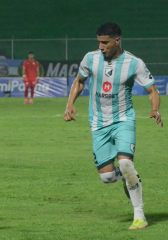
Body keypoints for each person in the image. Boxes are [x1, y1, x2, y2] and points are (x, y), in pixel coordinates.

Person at [64, 22, 163, 230]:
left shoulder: (134, 63)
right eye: (99, 42)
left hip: (123, 120)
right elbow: (79, 81)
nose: (101, 47)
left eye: (105, 43)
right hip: (98, 123)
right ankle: (130, 179)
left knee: (126, 163)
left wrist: (155, 109)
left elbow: (152, 89)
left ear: (117, 41)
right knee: (108, 177)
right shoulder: (90, 59)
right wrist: (70, 103)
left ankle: (139, 216)